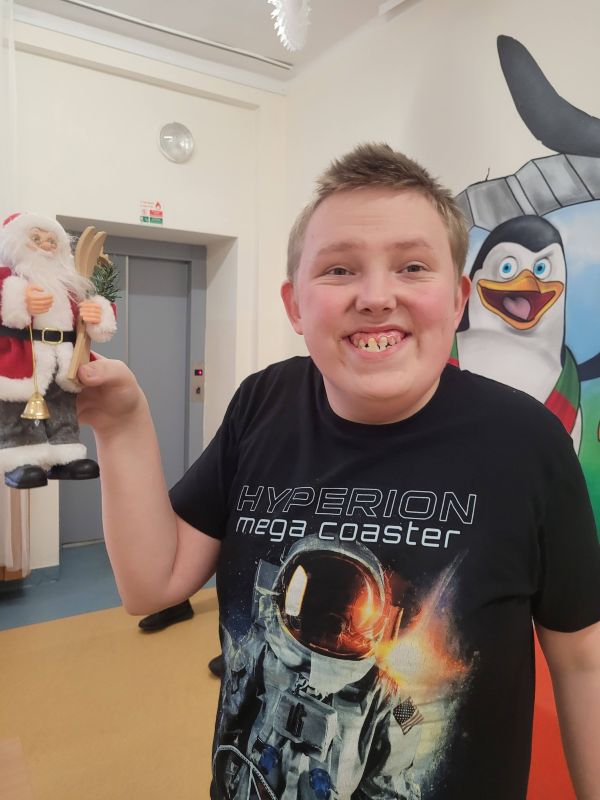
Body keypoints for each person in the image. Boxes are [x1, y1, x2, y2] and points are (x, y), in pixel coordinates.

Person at [77, 143, 600, 799]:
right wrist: (122, 425)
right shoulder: (263, 404)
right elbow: (152, 584)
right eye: (339, 269)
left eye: (412, 266)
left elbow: (582, 662)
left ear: (458, 298)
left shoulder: (527, 442)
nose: (376, 297)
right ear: (295, 304)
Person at [0, 213, 116, 489]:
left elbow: (92, 313)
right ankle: (19, 459)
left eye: (52, 240)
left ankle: (65, 453)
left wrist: (96, 313)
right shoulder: (7, 277)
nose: (46, 245)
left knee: (62, 405)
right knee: (17, 409)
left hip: (63, 355)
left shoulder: (68, 284)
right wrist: (19, 299)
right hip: (22, 356)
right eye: (36, 238)